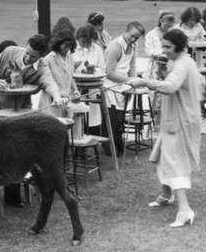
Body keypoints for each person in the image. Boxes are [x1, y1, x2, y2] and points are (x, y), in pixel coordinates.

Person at [0, 34, 66, 207]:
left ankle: (11, 196)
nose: (28, 57)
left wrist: (57, 96)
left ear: (41, 56)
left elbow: (49, 82)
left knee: (13, 151)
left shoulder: (41, 67)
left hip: (19, 112)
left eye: (33, 56)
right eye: (27, 53)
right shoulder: (10, 51)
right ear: (25, 46)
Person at [139, 29, 204, 228]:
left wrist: (145, 81)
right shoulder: (180, 61)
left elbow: (171, 86)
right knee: (162, 155)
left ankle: (185, 210)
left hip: (181, 121)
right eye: (163, 45)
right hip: (173, 118)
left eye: (168, 46)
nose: (164, 50)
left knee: (175, 163)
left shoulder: (183, 64)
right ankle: (166, 194)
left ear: (179, 46)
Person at [102, 21, 146, 156]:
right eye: (132, 36)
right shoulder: (115, 46)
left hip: (123, 86)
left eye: (136, 38)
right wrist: (129, 80)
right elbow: (109, 72)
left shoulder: (133, 45)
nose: (133, 39)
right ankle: (109, 147)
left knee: (120, 120)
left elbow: (132, 66)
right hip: (110, 86)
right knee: (112, 119)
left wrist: (134, 81)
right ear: (125, 30)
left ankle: (119, 144)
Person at [73, 24, 106, 135]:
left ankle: (93, 142)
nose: (86, 45)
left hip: (92, 87)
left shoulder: (97, 49)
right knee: (77, 116)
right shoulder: (72, 49)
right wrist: (75, 67)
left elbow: (102, 67)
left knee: (93, 116)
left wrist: (93, 69)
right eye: (83, 42)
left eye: (89, 42)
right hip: (76, 87)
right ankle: (79, 147)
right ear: (78, 38)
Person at [39, 29, 80, 118]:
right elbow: (44, 82)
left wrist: (75, 90)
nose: (68, 49)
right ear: (59, 43)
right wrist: (58, 92)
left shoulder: (69, 56)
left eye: (70, 46)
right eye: (65, 46)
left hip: (66, 103)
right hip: (51, 103)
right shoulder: (48, 59)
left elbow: (69, 76)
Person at [144, 11, 176, 124]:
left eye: (170, 26)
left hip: (169, 68)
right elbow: (149, 51)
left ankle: (166, 121)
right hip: (156, 68)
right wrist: (162, 52)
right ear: (160, 21)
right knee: (155, 94)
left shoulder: (173, 34)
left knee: (168, 93)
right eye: (166, 25)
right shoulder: (151, 35)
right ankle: (154, 121)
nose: (168, 28)